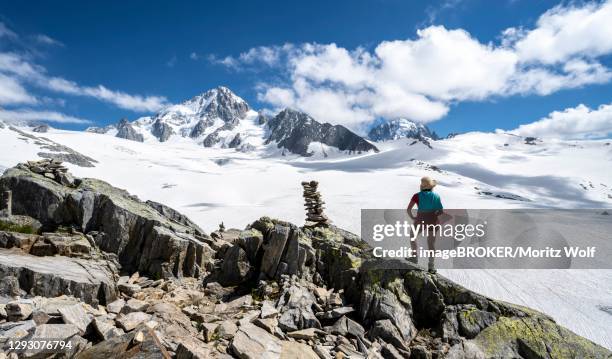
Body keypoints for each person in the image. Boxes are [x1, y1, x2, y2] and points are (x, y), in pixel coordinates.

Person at [407, 176, 443, 272]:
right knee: (431, 243)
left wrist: (412, 217)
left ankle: (414, 258)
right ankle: (431, 266)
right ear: (431, 187)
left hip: (420, 219)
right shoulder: (436, 196)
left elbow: (408, 209)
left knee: (412, 236)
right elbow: (440, 211)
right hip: (433, 221)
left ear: (422, 186)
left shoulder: (416, 196)